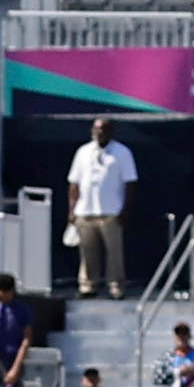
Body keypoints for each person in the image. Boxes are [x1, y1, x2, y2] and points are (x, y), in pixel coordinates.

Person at [64, 115, 140, 298]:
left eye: (102, 129)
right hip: (85, 210)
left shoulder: (122, 153)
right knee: (87, 251)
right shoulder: (83, 152)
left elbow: (130, 183)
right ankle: (88, 286)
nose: (98, 133)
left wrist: (125, 210)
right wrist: (72, 210)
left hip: (111, 210)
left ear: (111, 132)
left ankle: (115, 286)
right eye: (95, 129)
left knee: (114, 251)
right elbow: (74, 183)